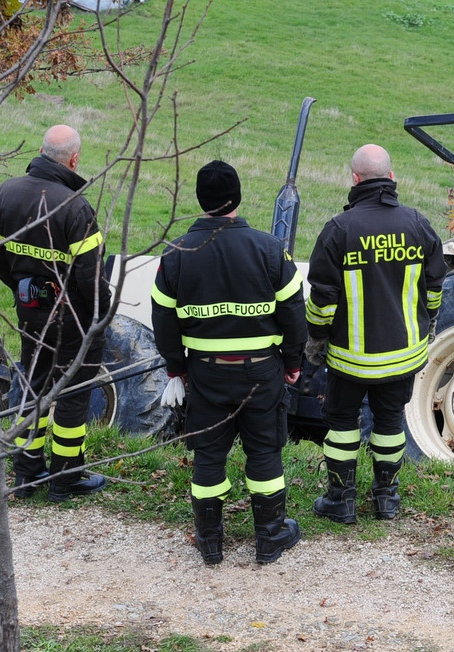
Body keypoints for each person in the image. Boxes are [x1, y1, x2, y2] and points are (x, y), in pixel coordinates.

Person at [151, 160, 308, 565]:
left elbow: (163, 317)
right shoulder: (270, 249)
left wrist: (176, 368)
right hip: (261, 372)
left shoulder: (177, 254)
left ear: (201, 201)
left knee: (208, 455)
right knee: (264, 453)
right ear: (236, 198)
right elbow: (293, 312)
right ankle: (270, 537)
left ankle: (210, 542)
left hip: (205, 372)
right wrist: (292, 361)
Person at [305, 143, 447, 524]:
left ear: (354, 179)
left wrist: (316, 338)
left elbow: (322, 299)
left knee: (342, 423)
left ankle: (341, 500)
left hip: (349, 358)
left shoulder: (339, 230)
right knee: (389, 424)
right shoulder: (417, 224)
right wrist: (429, 319)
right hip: (403, 356)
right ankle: (386, 499)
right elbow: (435, 286)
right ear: (392, 177)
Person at [0, 124, 111, 502]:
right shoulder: (75, 207)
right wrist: (99, 317)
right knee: (73, 392)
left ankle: (27, 472)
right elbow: (92, 278)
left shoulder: (5, 194)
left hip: (30, 312)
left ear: (41, 151)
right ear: (74, 159)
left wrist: (23, 289)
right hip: (74, 318)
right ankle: (66, 477)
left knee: (32, 385)